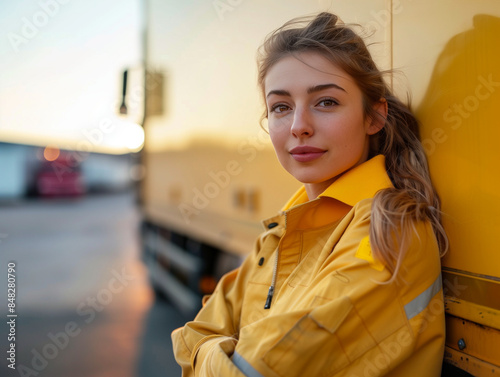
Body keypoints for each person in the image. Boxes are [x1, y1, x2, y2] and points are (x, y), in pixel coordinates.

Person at [172, 12, 448, 377]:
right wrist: (219, 350)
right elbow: (192, 334)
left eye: (326, 102)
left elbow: (246, 368)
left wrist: (212, 351)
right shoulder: (277, 234)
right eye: (281, 107)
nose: (299, 126)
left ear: (374, 116)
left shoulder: (391, 231)